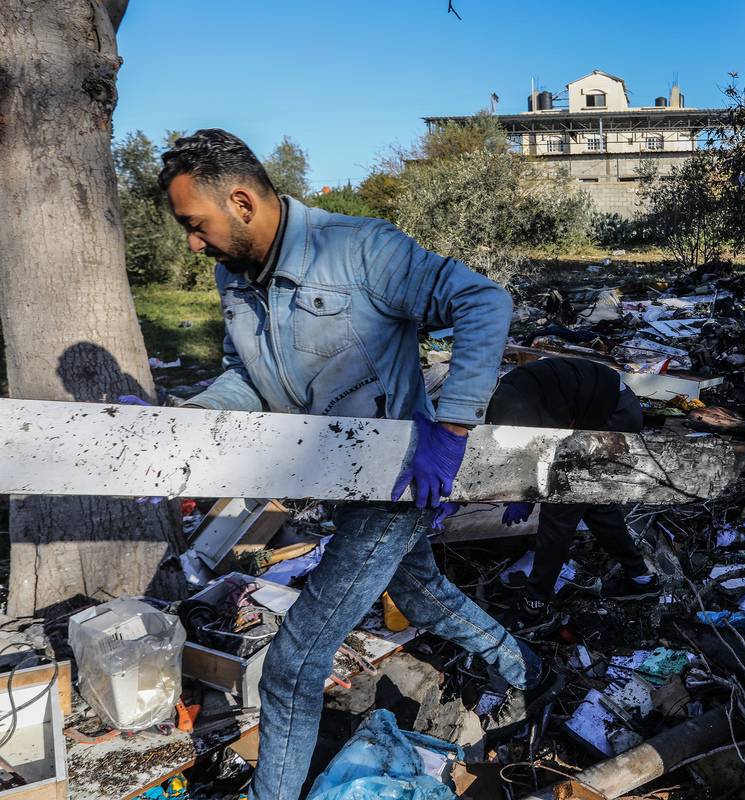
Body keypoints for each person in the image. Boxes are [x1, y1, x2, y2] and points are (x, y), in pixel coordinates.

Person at [158, 129, 560, 800]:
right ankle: (534, 674)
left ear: (239, 201)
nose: (193, 244)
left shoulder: (360, 249)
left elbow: (483, 301)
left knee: (292, 665)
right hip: (337, 477)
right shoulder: (235, 277)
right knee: (424, 594)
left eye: (195, 226)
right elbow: (248, 380)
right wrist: (191, 419)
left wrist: (453, 424)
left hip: (400, 478)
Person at [486, 357, 661, 619]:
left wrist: (524, 496)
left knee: (558, 512)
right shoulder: (503, 400)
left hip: (612, 420)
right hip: (611, 409)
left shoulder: (513, 412)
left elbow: (542, 456)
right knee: (596, 507)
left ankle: (535, 602)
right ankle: (641, 579)